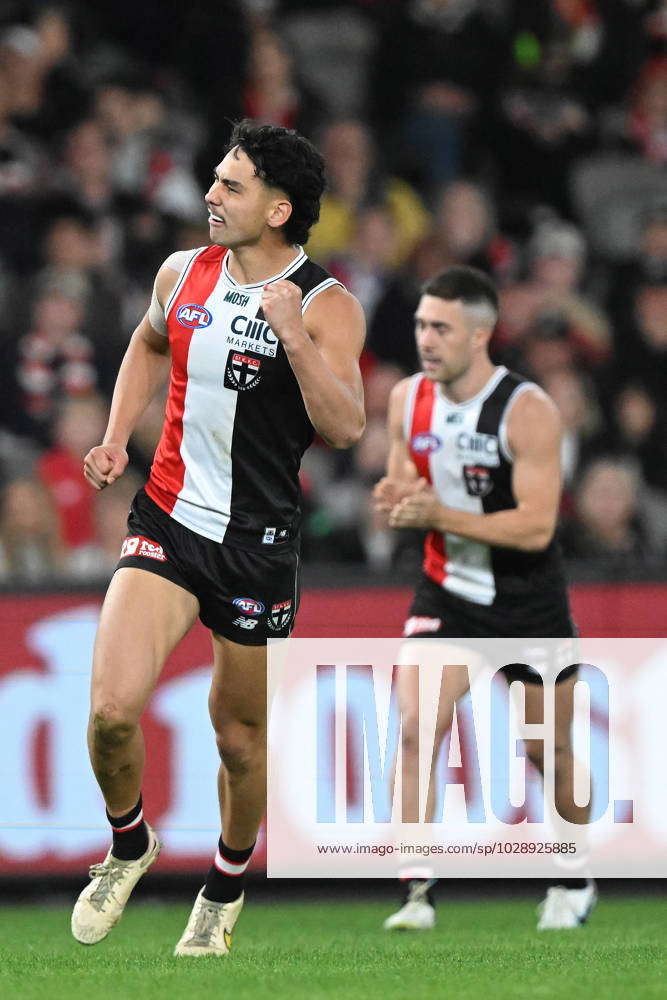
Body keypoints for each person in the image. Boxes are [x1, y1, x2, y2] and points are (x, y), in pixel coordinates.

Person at [71, 120, 365, 956]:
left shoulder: (325, 304)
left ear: (278, 209)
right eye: (215, 179)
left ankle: (225, 887)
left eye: (230, 186)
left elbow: (344, 426)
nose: (210, 195)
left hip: (256, 544)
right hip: (166, 517)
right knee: (109, 714)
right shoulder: (182, 271)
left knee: (237, 737)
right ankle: (130, 844)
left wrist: (295, 337)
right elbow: (148, 338)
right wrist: (115, 432)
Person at [373, 266, 596, 932]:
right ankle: (415, 892)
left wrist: (436, 513)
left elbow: (535, 526)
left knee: (546, 752)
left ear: (479, 334)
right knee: (415, 728)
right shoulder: (404, 399)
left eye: (439, 327)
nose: (425, 339)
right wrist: (395, 496)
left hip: (527, 602)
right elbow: (398, 476)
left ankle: (572, 874)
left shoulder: (527, 410)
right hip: (445, 593)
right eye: (419, 324)